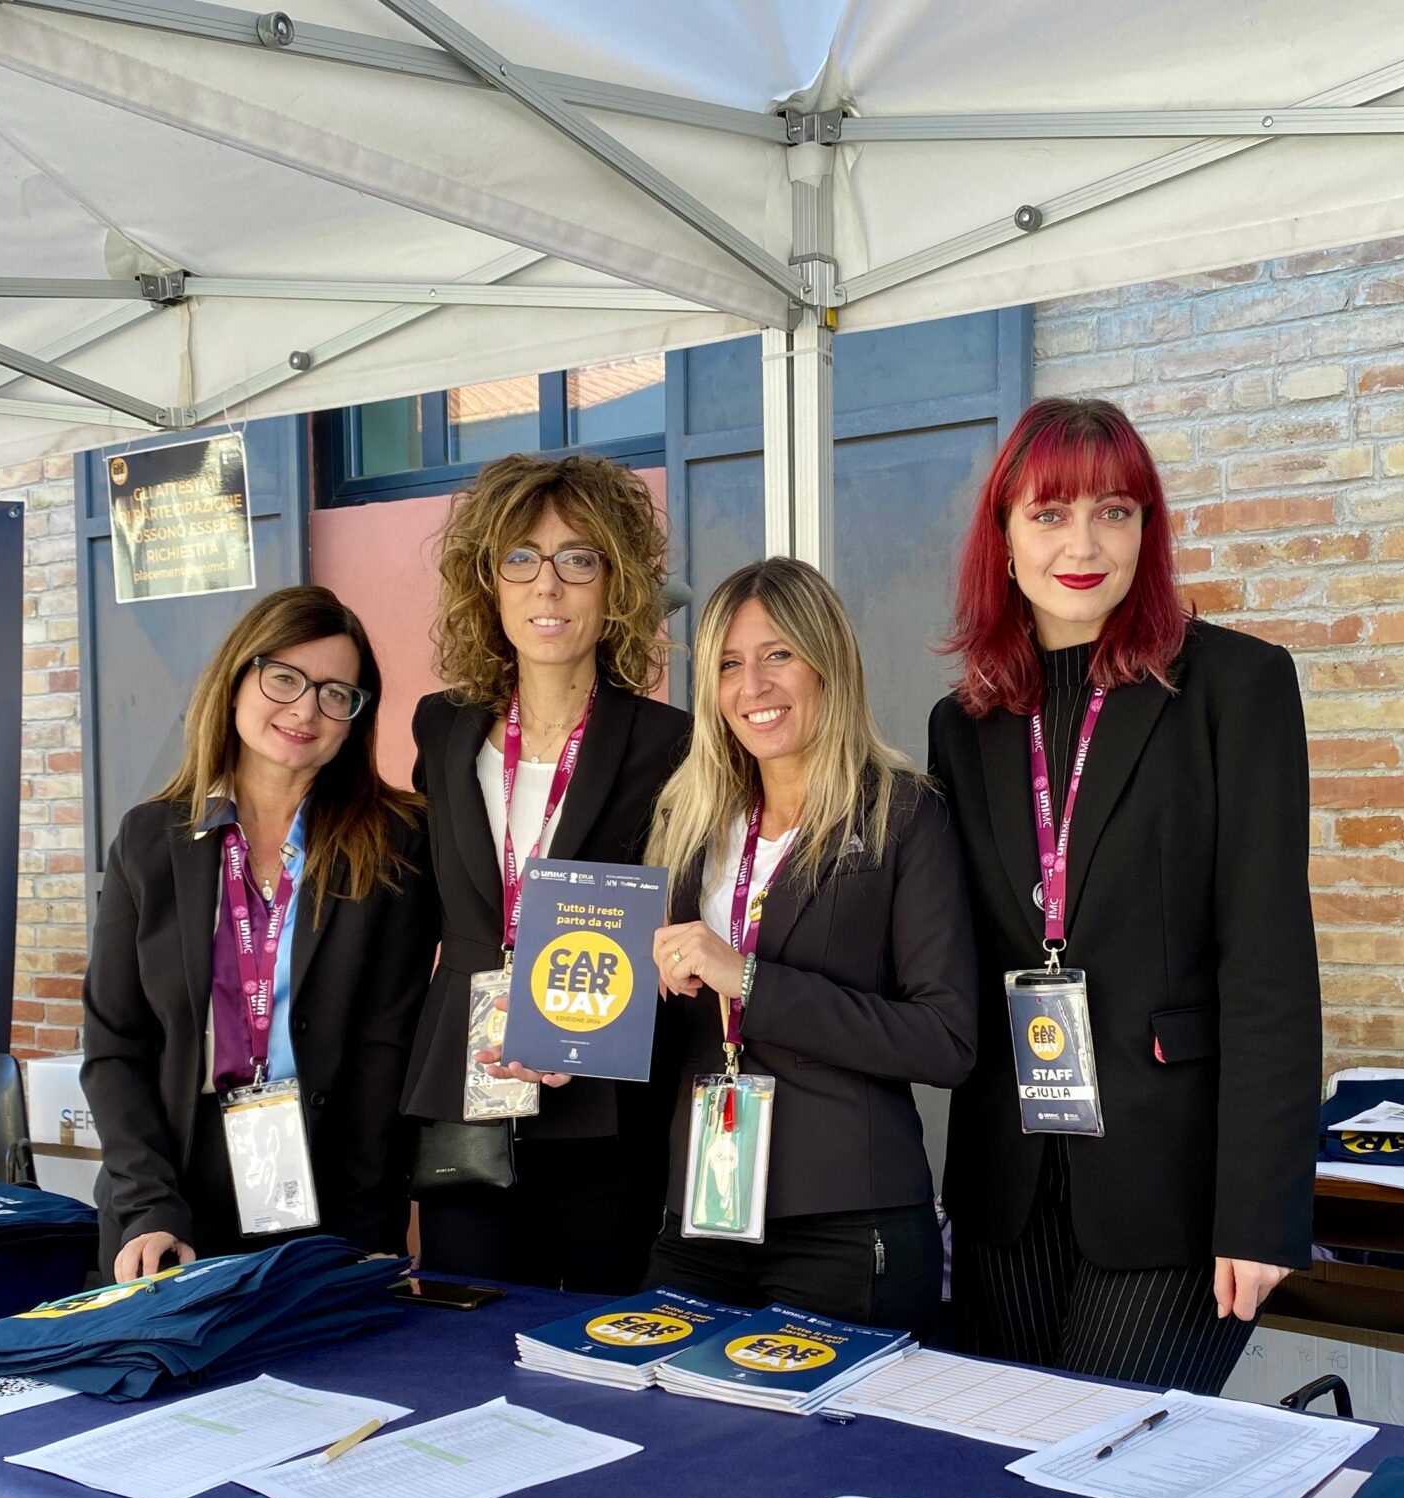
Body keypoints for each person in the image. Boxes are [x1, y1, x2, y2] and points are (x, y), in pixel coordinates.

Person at [926, 397, 1320, 1392]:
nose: (1084, 543)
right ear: (1003, 539)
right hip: (1006, 1188)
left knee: (1099, 1472)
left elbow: (1269, 967)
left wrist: (1260, 1213)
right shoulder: (962, 723)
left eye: (1115, 511)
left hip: (1173, 1191)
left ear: (1148, 528)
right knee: (998, 1469)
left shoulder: (1238, 687)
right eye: (1049, 515)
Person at [644, 557, 975, 1337]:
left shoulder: (904, 816)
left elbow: (946, 1040)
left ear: (828, 663)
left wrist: (751, 980)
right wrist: (570, 1033)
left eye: (778, 655)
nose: (752, 686)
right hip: (701, 1215)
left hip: (846, 1226)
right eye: (729, 664)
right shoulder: (687, 826)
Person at [83, 585, 437, 1284]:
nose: (305, 709)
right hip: (171, 1188)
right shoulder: (151, 840)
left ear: (355, 718)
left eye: (337, 693)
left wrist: (366, 1224)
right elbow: (115, 1047)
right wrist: (149, 1205)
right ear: (237, 678)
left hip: (328, 1185)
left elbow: (384, 1048)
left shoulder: (395, 841)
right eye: (284, 678)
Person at [401, 453, 689, 1289]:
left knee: (596, 1351)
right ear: (489, 583)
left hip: (602, 1104)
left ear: (616, 586)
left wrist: (582, 1021)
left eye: (578, 559)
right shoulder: (443, 729)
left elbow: (676, 919)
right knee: (462, 1343)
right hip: (471, 1092)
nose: (547, 585)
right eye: (520, 558)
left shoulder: (671, 745)